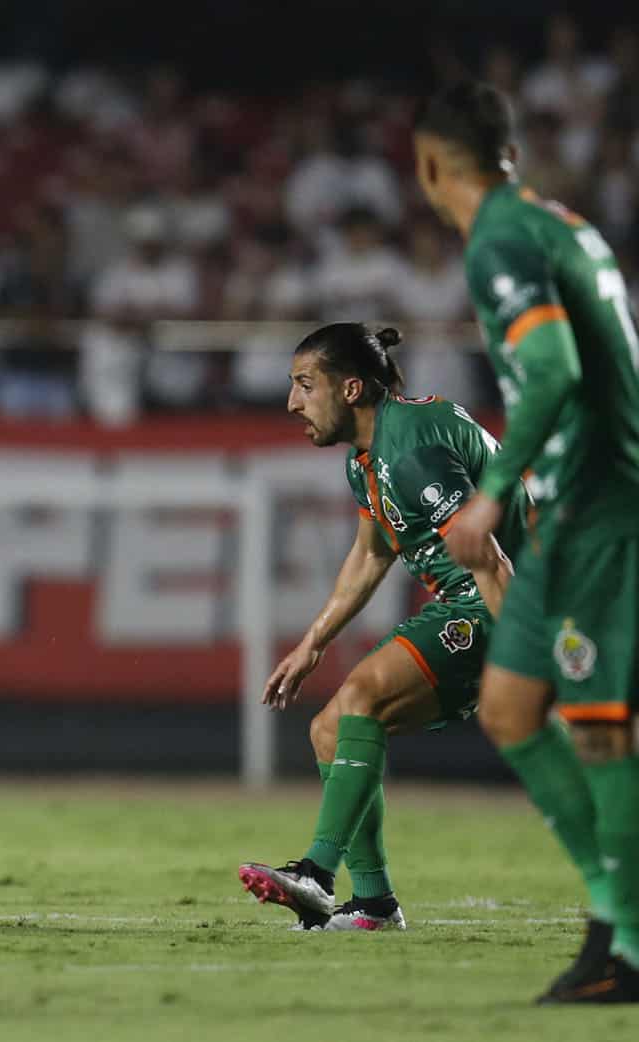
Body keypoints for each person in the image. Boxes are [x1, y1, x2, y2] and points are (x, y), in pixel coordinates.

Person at [416, 80, 639, 1004]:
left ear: (432, 165)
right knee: (510, 709)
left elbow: (550, 369)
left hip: (595, 509)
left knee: (600, 730)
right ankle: (611, 917)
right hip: (577, 506)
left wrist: (494, 494)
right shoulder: (556, 223)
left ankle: (626, 945)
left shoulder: (502, 239)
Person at [238, 323, 524, 931]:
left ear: (350, 389)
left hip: (502, 601)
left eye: (304, 385)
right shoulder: (369, 456)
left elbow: (491, 559)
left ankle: (316, 873)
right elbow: (372, 554)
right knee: (328, 730)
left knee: (364, 692)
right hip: (472, 597)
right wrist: (312, 642)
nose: (292, 403)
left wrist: (530, 665)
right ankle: (373, 903)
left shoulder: (413, 447)